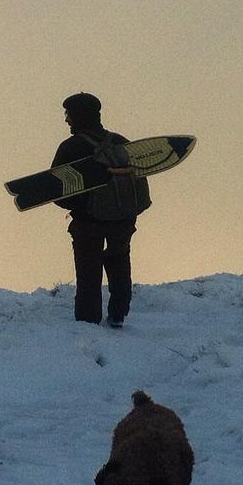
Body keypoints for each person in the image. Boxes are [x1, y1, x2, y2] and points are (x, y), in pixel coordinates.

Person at [52, 92, 148, 327]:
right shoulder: (121, 142)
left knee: (88, 271)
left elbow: (54, 188)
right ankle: (118, 314)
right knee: (119, 262)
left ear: (78, 116)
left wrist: (78, 207)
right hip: (123, 219)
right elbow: (139, 178)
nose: (66, 120)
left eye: (68, 115)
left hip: (88, 221)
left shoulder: (71, 147)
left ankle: (87, 322)